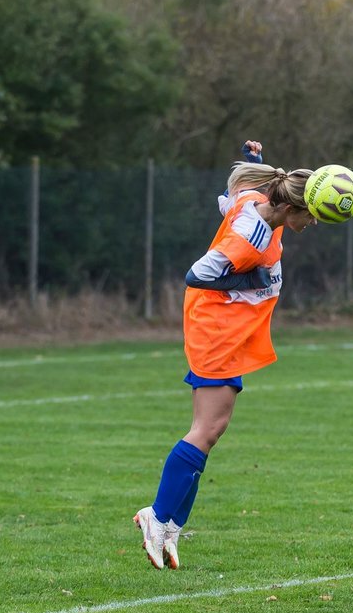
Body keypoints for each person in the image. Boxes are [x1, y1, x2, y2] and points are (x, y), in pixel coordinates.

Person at [133, 141, 324, 570]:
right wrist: (254, 276)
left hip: (231, 329)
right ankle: (157, 516)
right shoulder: (250, 235)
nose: (312, 222)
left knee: (212, 430)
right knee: (206, 427)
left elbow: (239, 196)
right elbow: (198, 274)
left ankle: (171, 524)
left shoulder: (259, 201)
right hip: (217, 330)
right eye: (309, 215)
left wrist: (253, 162)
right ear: (290, 209)